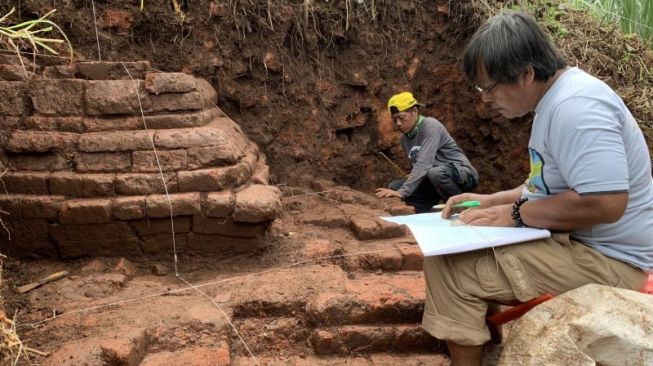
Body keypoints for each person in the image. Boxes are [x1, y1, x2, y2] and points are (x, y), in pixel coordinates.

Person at [422, 11, 653, 366]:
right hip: (586, 247)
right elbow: (544, 185)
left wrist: (515, 215)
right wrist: (491, 200)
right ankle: (490, 349)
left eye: (489, 87)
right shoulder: (557, 101)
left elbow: (606, 202)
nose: (485, 99)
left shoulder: (576, 108)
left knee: (453, 268)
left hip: (613, 262)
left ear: (526, 74)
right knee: (466, 248)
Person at [375, 92, 478, 213]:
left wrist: (402, 192)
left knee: (434, 174)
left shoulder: (430, 126)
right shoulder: (405, 139)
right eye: (395, 119)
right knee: (394, 186)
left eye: (402, 118)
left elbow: (424, 164)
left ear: (414, 111)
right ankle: (424, 212)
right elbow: (419, 165)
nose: (398, 123)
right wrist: (410, 180)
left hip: (461, 175)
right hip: (434, 178)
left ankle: (461, 206)